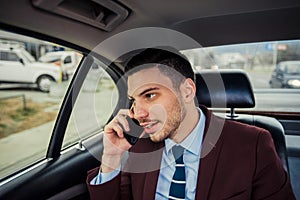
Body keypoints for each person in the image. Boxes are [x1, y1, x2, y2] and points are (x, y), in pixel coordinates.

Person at [86, 48, 295, 199]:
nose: (138, 113)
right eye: (133, 101)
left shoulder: (252, 143)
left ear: (187, 90)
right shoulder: (140, 145)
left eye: (149, 95)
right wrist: (111, 157)